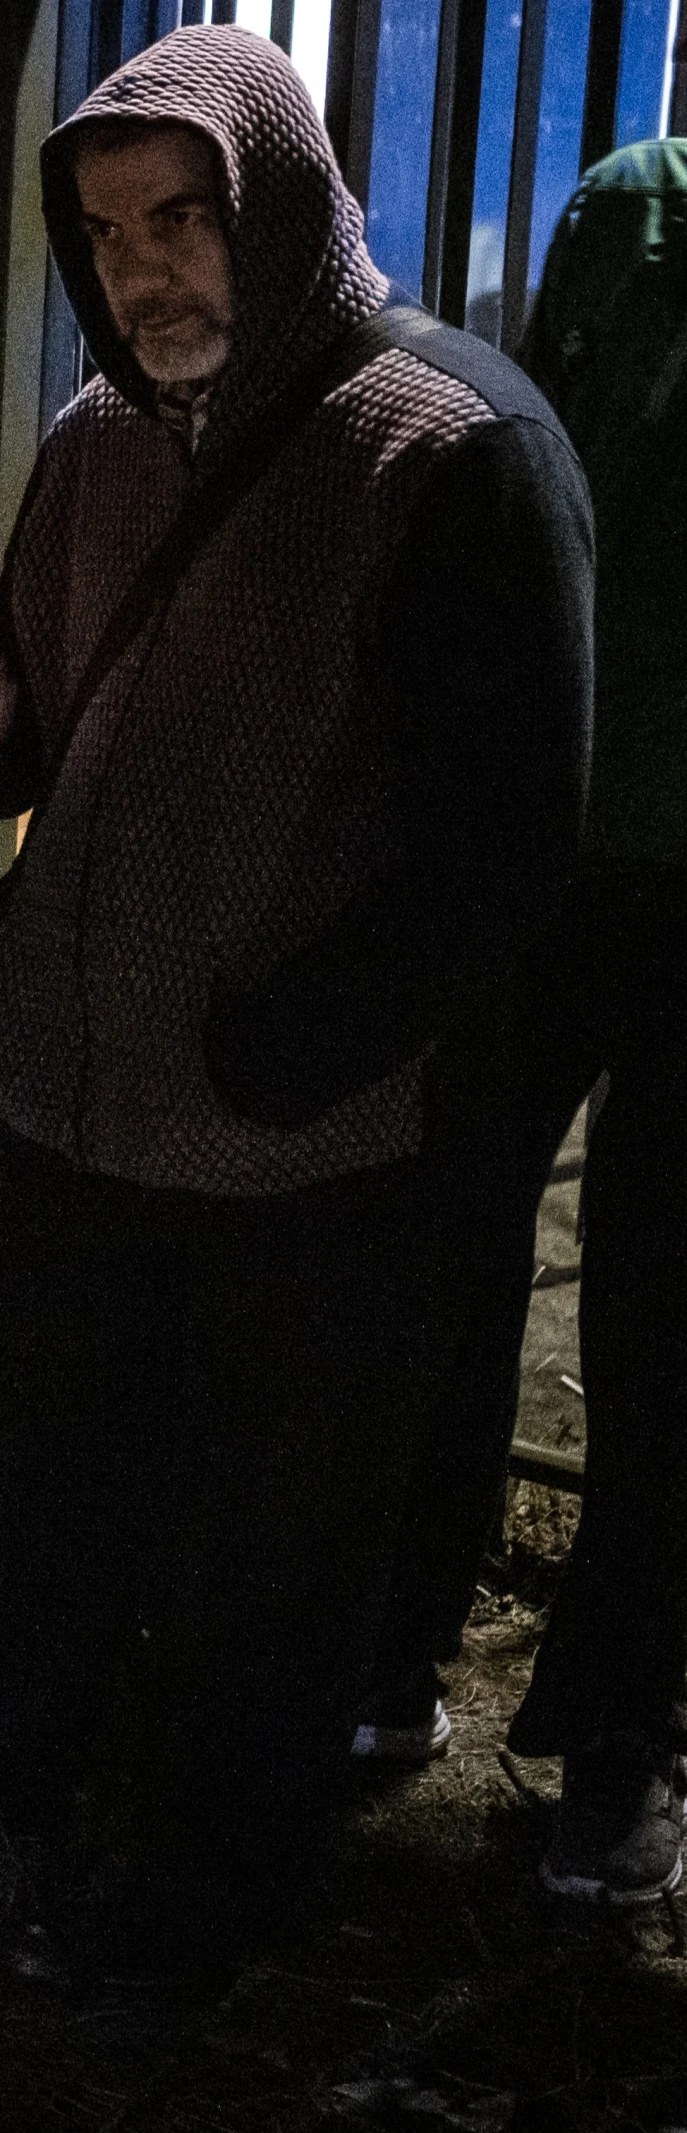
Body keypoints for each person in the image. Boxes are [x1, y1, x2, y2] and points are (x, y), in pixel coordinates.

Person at [0, 27, 592, 1997]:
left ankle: (204, 1898)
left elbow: (505, 849)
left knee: (266, 1553)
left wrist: (293, 1047)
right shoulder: (103, 437)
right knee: (46, 1497)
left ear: (281, 202)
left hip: (309, 1137)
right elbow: (44, 723)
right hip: (80, 1098)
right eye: (112, 230)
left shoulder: (457, 446)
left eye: (185, 217)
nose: (146, 269)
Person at [360, 134, 687, 1904]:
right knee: (437, 1239)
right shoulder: (633, 206)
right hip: (555, 835)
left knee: (666, 1309)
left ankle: (619, 1729)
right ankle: (393, 1639)